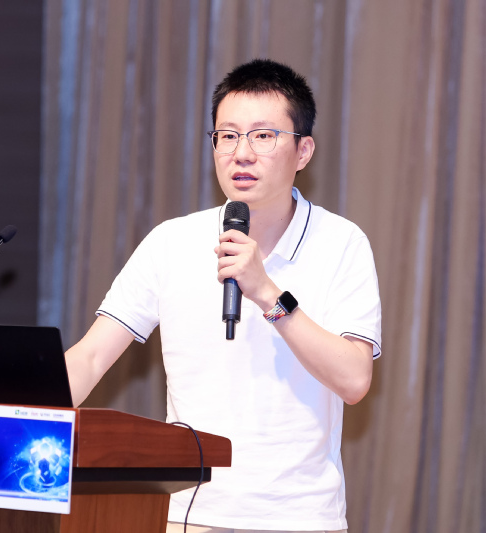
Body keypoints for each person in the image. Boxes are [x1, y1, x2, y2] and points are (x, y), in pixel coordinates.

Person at [64, 59, 381, 533]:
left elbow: (354, 379)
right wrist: (7, 416)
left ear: (303, 151)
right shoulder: (171, 241)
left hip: (299, 518)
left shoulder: (342, 243)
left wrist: (268, 293)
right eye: (227, 136)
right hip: (189, 515)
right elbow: (90, 359)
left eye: (263, 136)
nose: (241, 154)